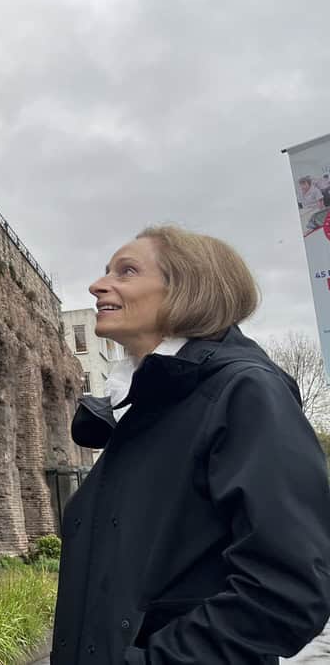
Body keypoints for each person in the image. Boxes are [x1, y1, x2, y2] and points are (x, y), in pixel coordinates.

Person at [52, 225, 330, 665]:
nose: (97, 285)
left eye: (126, 271)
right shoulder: (145, 407)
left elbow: (288, 589)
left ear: (188, 288)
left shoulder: (245, 392)